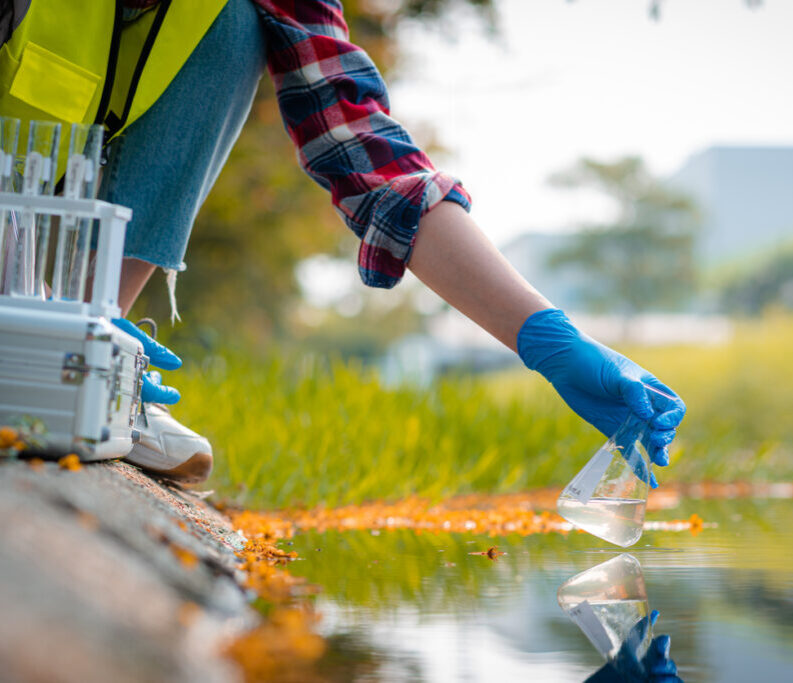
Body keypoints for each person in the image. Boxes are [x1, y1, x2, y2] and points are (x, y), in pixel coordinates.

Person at [0, 0, 685, 483]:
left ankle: (94, 354)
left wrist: (548, 338)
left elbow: (367, 154)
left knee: (233, 23)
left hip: (46, 257)